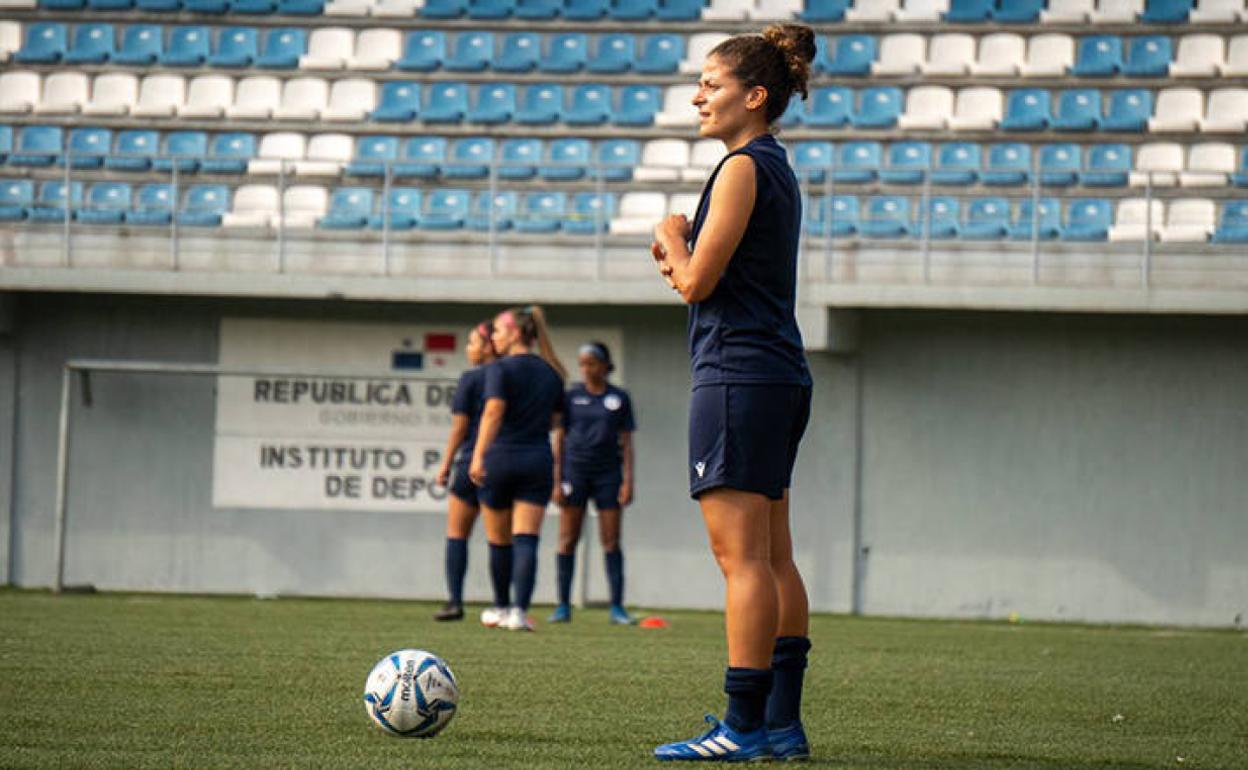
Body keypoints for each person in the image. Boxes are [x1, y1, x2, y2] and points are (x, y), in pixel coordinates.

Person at [649, 23, 817, 763]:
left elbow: (697, 281)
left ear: (754, 96)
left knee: (741, 560)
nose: (697, 97)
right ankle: (782, 724)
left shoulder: (744, 167)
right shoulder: (772, 165)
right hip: (775, 371)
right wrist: (683, 261)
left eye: (711, 85)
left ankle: (742, 726)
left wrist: (671, 235)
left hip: (737, 375)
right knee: (775, 556)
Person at [469, 305, 567, 632]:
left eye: (496, 331)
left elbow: (493, 411)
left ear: (514, 333)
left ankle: (499, 607)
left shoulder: (499, 369)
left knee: (499, 541)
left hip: (500, 457)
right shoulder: (551, 371)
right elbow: (557, 420)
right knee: (527, 539)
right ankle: (518, 612)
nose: (493, 337)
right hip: (536, 458)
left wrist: (478, 454)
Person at [549, 341, 637, 626]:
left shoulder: (619, 398)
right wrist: (556, 479)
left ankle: (617, 607)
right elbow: (559, 439)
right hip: (575, 473)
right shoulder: (571, 396)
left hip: (608, 475)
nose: (586, 368)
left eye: (591, 363)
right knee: (567, 539)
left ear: (604, 365)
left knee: (611, 541)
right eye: (582, 363)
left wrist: (627, 482)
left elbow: (627, 443)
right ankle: (563, 605)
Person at [432, 320, 498, 622]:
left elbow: (459, 427)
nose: (468, 349)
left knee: (457, 534)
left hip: (470, 461)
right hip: (501, 464)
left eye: (472, 342)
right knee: (502, 539)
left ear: (487, 346)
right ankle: (504, 605)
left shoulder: (471, 379)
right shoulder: (510, 376)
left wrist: (445, 465)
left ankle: (455, 601)